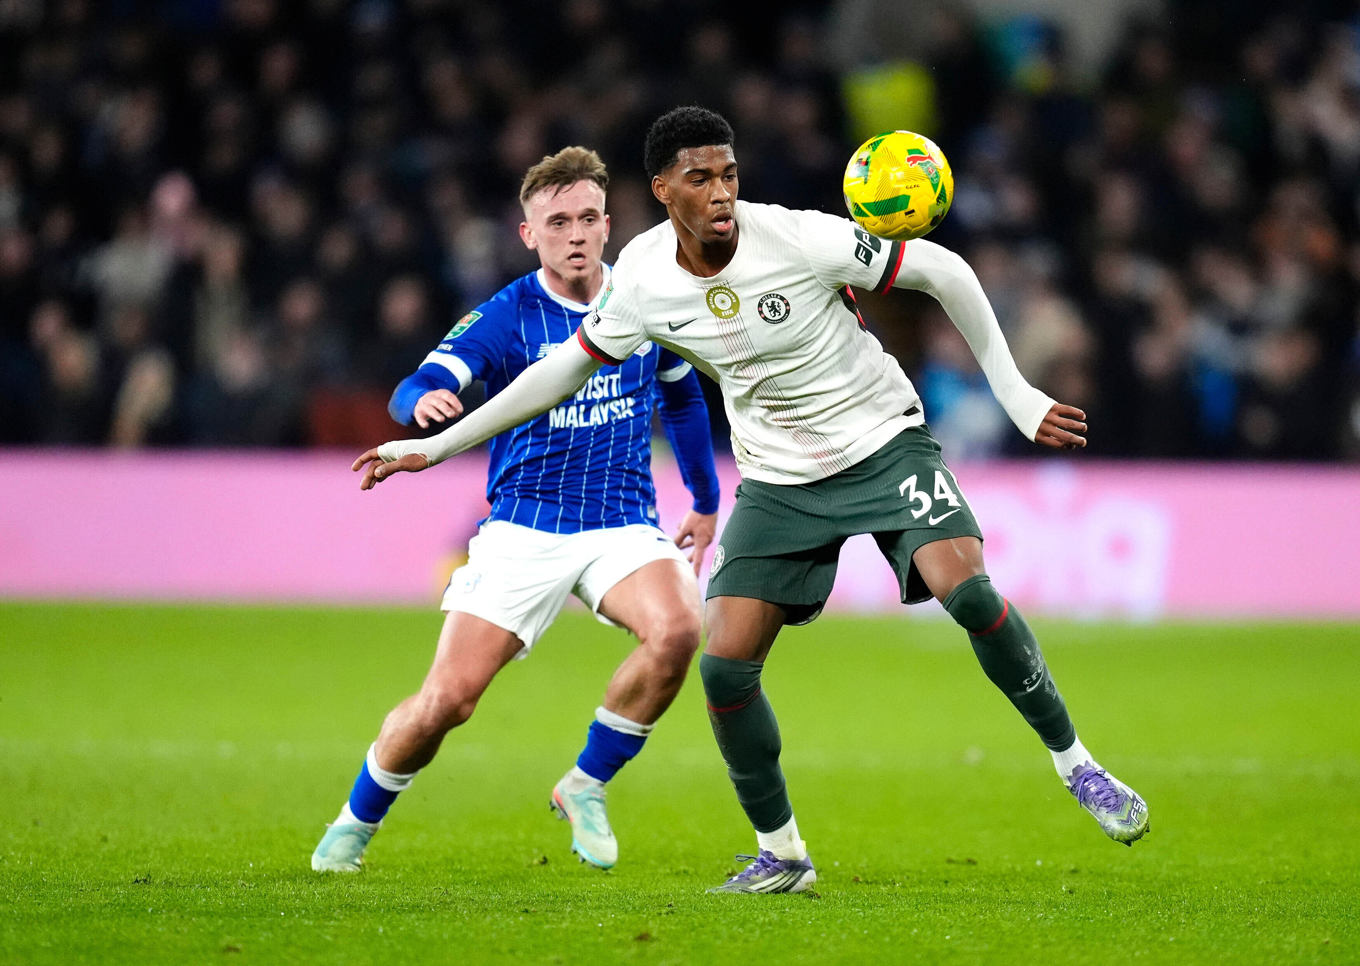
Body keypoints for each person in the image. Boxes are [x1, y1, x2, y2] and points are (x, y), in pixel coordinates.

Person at [352, 108, 1150, 893]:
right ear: (663, 190)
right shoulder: (641, 280)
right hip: (777, 480)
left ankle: (1077, 765)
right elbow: (559, 373)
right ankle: (783, 855)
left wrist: (1017, 395)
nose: (721, 192)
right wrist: (433, 448)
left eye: (729, 174)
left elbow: (944, 271)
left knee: (967, 592)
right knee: (725, 668)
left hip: (882, 441)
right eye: (700, 178)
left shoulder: (800, 238)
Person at [312, 146, 721, 873]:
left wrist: (705, 497)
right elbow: (419, 382)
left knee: (680, 629)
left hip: (623, 525)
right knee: (448, 702)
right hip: (524, 529)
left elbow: (683, 397)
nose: (576, 234)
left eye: (588, 218)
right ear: (529, 234)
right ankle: (354, 822)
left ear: (608, 225)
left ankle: (585, 783)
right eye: (558, 222)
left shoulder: (644, 299)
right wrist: (423, 403)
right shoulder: (507, 314)